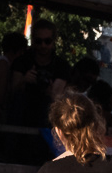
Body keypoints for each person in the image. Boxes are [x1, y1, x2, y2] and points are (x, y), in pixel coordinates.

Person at [7, 19, 72, 162]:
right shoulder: (21, 62)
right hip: (21, 115)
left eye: (47, 41)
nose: (43, 46)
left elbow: (57, 97)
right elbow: (11, 91)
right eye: (38, 41)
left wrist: (50, 91)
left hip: (46, 118)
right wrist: (24, 81)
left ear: (53, 41)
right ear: (33, 41)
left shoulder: (61, 66)